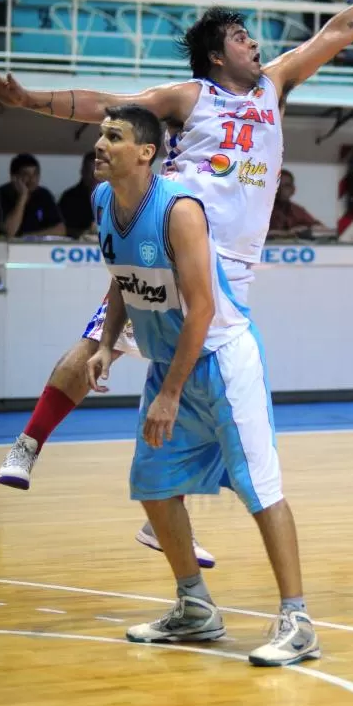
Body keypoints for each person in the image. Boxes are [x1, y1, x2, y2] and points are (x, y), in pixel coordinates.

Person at [0, 0, 353, 542]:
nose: (254, 43)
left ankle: (167, 513)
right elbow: (108, 105)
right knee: (102, 342)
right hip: (172, 248)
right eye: (241, 37)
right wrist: (27, 99)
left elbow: (337, 32)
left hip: (236, 268)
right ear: (217, 56)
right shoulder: (190, 97)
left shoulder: (275, 85)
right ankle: (27, 444)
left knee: (213, 385)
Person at [86, 103, 317, 665]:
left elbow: (203, 310)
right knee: (154, 486)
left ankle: (298, 619)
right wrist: (105, 341)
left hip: (220, 359)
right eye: (100, 134)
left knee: (261, 489)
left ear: (145, 153)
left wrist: (169, 394)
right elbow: (122, 277)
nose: (100, 143)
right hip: (171, 365)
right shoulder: (102, 202)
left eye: (113, 136)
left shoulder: (179, 210)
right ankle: (195, 608)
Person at [0, 153, 64, 239]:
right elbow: (10, 232)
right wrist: (23, 197)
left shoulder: (44, 194)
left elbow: (60, 230)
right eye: (26, 174)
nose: (32, 179)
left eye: (35, 174)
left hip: (30, 247)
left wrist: (28, 238)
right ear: (14, 177)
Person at [269, 169, 323, 235]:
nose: (281, 189)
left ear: (293, 189)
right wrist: (287, 233)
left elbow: (319, 228)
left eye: (286, 186)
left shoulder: (297, 210)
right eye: (277, 185)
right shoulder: (261, 209)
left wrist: (306, 229)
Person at [58, 150, 97, 238]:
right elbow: (62, 229)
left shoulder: (117, 197)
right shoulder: (69, 198)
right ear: (82, 172)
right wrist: (84, 233)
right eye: (90, 172)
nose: (94, 177)